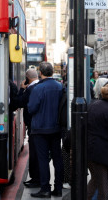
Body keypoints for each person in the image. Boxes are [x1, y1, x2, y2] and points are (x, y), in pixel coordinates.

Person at [28, 62, 64, 198]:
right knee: (57, 158)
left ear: (40, 73)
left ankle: (45, 188)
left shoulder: (38, 88)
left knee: (43, 159)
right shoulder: (59, 86)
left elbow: (32, 108)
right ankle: (58, 187)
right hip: (55, 127)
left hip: (40, 128)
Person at [10, 68, 41, 188]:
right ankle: (36, 178)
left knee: (35, 154)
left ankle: (36, 179)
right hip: (40, 125)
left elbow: (18, 102)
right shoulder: (39, 86)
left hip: (34, 126)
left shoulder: (30, 89)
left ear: (27, 78)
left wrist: (22, 89)